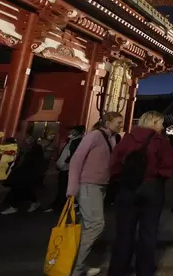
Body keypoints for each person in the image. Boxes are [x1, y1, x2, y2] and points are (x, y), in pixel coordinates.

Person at [107, 111, 173, 276]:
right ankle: (144, 269)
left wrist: (120, 179)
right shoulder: (160, 141)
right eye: (160, 123)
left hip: (128, 187)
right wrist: (158, 177)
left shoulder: (128, 139)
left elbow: (114, 163)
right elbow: (169, 167)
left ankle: (119, 268)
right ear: (153, 123)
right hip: (152, 188)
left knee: (124, 232)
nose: (162, 127)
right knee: (148, 231)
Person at [67, 112, 123, 276]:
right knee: (96, 225)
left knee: (87, 226)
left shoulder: (111, 138)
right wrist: (72, 188)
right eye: (118, 122)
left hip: (100, 185)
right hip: (88, 184)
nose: (121, 125)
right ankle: (76, 269)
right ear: (107, 123)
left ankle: (78, 264)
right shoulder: (94, 136)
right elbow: (77, 160)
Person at [0, 126, 44, 214]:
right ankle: (32, 203)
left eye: (29, 138)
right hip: (22, 171)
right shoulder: (26, 147)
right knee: (24, 189)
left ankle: (14, 206)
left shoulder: (36, 148)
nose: (27, 140)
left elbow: (35, 162)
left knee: (19, 189)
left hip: (28, 172)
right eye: (27, 138)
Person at [45, 126, 85, 213]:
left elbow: (72, 155)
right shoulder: (72, 141)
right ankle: (63, 204)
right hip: (65, 167)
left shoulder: (76, 141)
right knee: (64, 187)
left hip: (67, 168)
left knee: (64, 187)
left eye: (73, 131)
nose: (70, 133)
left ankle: (64, 205)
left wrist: (66, 162)